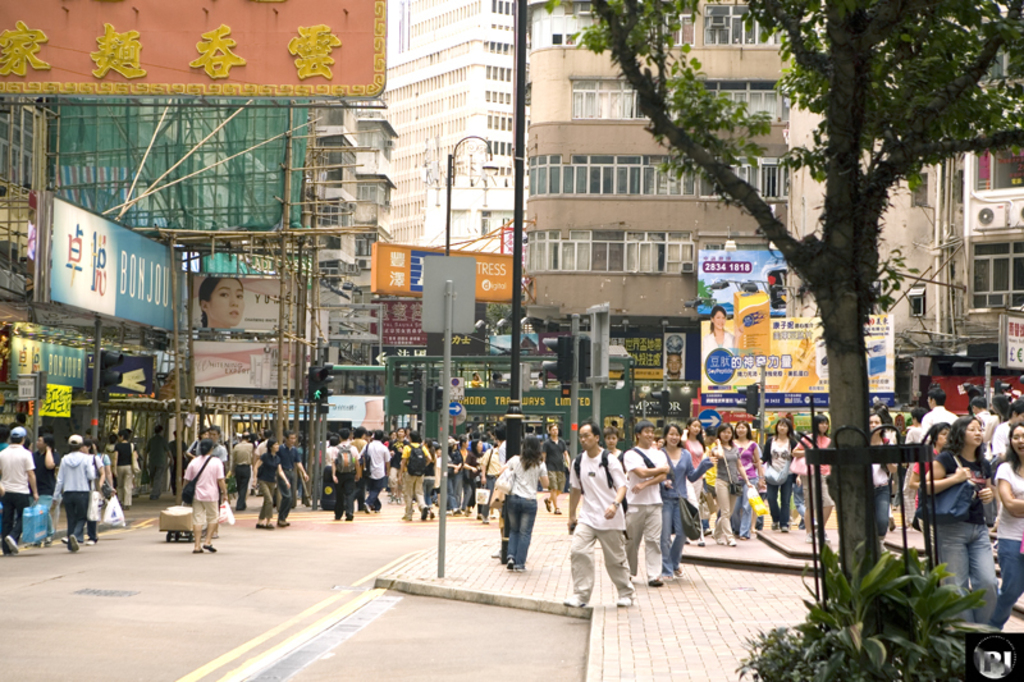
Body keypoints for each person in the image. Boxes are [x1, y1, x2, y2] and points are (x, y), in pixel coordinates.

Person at [927, 415, 998, 624]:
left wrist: (989, 495)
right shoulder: (946, 459)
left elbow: (988, 489)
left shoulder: (984, 463)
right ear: (960, 433)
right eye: (972, 429)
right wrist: (955, 479)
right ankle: (965, 634)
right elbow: (926, 485)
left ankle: (981, 629)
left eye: (980, 429)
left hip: (978, 528)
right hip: (951, 528)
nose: (978, 433)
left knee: (989, 582)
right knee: (956, 586)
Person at [565, 420, 634, 608]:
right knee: (578, 551)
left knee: (615, 560)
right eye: (580, 436)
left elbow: (622, 486)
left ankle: (626, 593)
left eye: (586, 436)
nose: (583, 440)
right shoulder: (578, 462)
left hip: (610, 518)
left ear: (596, 438)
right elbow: (575, 490)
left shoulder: (609, 460)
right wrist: (571, 515)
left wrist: (615, 504)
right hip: (587, 517)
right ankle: (581, 595)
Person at [659, 423, 715, 581]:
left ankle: (674, 563)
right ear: (665, 436)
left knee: (682, 533)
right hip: (664, 499)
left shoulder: (685, 454)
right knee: (664, 536)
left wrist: (705, 464)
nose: (674, 437)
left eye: (676, 434)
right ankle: (667, 569)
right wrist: (663, 482)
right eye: (671, 434)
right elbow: (654, 475)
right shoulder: (660, 454)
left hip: (681, 500)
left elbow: (691, 476)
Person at [622, 419, 670, 586]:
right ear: (638, 434)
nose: (650, 435)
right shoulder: (630, 454)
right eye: (646, 432)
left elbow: (663, 476)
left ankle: (654, 575)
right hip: (635, 504)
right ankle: (628, 572)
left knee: (653, 540)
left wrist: (645, 484)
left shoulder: (659, 454)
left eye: (652, 431)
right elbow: (641, 472)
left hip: (655, 502)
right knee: (631, 541)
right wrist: (660, 469)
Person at [989, 423, 1024, 629]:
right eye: (1016, 437)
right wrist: (1015, 505)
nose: (1021, 441)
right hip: (1012, 538)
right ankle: (991, 627)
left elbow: (1016, 504)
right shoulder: (1005, 469)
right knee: (1012, 589)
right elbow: (1009, 505)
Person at [504, 435, 549, 572]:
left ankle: (511, 556)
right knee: (525, 533)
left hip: (513, 498)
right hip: (529, 500)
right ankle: (519, 564)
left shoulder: (515, 460)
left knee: (514, 530)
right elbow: (546, 484)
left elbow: (501, 470)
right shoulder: (540, 464)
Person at [793, 415, 834, 544]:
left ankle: (820, 529)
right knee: (810, 504)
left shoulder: (829, 440)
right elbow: (794, 452)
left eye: (826, 423)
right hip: (810, 473)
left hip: (826, 474)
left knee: (829, 502)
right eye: (821, 423)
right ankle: (809, 533)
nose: (824, 426)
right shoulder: (808, 439)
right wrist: (810, 451)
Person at [183, 439, 227, 554]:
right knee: (213, 517)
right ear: (211, 449)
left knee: (197, 519)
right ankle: (207, 541)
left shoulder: (193, 462)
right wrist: (225, 493)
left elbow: (187, 479)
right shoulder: (217, 462)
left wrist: (185, 491)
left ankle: (197, 545)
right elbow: (221, 480)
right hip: (212, 495)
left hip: (197, 495)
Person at [53, 437, 96, 553]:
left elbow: (60, 479)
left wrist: (55, 496)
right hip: (82, 491)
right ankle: (75, 535)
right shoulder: (86, 458)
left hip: (68, 492)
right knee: (82, 517)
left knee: (71, 518)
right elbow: (91, 476)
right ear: (81, 445)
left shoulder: (64, 459)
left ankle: (71, 545)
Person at [0, 426, 38, 555]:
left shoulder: (2, 453)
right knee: (23, 517)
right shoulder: (26, 454)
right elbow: (31, 474)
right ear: (23, 439)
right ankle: (13, 536)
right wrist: (35, 492)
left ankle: (6, 549)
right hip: (21, 491)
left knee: (7, 519)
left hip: (5, 491)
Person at [712, 423, 751, 547]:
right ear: (719, 434)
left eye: (729, 432)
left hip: (734, 482)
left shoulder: (734, 449)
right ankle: (730, 538)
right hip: (721, 481)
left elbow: (740, 466)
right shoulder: (716, 448)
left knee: (729, 512)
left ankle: (716, 534)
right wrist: (719, 444)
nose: (726, 435)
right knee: (725, 511)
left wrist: (747, 480)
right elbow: (719, 455)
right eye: (724, 432)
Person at [762, 418, 797, 533]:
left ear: (789, 428)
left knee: (785, 500)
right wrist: (757, 463)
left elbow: (796, 459)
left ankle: (784, 524)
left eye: (785, 426)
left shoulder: (792, 442)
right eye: (780, 425)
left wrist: (798, 476)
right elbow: (765, 457)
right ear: (776, 427)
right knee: (771, 498)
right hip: (772, 473)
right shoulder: (770, 441)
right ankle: (776, 519)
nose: (782, 428)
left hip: (788, 474)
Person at [682, 418, 713, 545]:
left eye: (698, 426)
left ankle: (686, 535)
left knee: (694, 505)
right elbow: (683, 441)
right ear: (688, 427)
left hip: (699, 477)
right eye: (694, 426)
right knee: (693, 504)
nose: (696, 428)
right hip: (686, 477)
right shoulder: (685, 441)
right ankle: (700, 536)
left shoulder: (700, 442)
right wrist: (685, 432)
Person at [732, 421, 765, 541]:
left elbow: (758, 463)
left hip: (751, 478)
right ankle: (737, 529)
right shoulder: (732, 444)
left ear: (747, 430)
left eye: (743, 427)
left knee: (747, 506)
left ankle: (744, 532)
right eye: (739, 427)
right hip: (735, 478)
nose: (741, 430)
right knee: (735, 508)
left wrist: (761, 479)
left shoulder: (753, 445)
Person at [869, 412, 899, 537]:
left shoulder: (887, 444)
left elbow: (894, 469)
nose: (873, 425)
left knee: (882, 521)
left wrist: (887, 459)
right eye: (870, 422)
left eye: (877, 422)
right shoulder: (861, 443)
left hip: (881, 488)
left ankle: (880, 542)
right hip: (863, 489)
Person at [32, 433, 60, 546]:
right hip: (34, 488)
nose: (37, 443)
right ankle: (37, 539)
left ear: (47, 444)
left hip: (47, 488)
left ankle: (49, 533)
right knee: (35, 514)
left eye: (40, 441)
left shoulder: (54, 455)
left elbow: (49, 465)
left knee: (43, 511)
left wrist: (48, 451)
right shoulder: (34, 455)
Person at [277, 431, 309, 526]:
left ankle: (283, 517)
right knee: (287, 496)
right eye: (291, 438)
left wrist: (304, 473)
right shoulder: (280, 449)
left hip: (291, 473)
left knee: (290, 498)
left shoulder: (295, 450)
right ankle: (281, 518)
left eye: (294, 438)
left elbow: (298, 462)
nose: (293, 440)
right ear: (286, 438)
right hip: (283, 472)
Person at [256, 438, 289, 530]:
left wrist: (286, 480)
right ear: (271, 447)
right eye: (276, 444)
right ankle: (268, 522)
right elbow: (256, 466)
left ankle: (259, 521)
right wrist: (254, 479)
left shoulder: (277, 458)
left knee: (266, 501)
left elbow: (280, 471)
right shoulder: (265, 456)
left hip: (272, 481)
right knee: (270, 500)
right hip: (263, 480)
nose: (277, 446)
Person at [401, 431, 431, 522]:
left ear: (410, 438)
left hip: (409, 473)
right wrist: (424, 466)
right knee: (419, 492)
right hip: (420, 473)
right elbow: (429, 458)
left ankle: (408, 514)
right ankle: (423, 506)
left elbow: (403, 462)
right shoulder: (422, 447)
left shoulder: (407, 447)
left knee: (408, 494)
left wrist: (400, 474)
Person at [543, 423, 569, 515]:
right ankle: (556, 508)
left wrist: (569, 464)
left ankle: (549, 500)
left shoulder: (562, 442)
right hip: (550, 468)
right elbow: (544, 456)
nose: (555, 431)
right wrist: (543, 468)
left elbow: (565, 454)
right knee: (553, 488)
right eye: (553, 430)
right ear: (549, 431)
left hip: (560, 467)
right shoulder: (547, 443)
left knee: (560, 489)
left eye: (556, 429)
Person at [364, 430, 390, 514]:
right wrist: (388, 471)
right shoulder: (384, 448)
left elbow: (361, 456)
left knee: (372, 489)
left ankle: (377, 506)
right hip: (380, 471)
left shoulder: (368, 446)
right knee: (376, 489)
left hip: (369, 470)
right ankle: (368, 502)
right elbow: (387, 461)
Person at [113, 429, 139, 510]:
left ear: (122, 437)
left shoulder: (117, 446)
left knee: (120, 485)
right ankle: (127, 503)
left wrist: (114, 468)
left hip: (119, 467)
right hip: (129, 467)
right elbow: (136, 456)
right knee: (127, 485)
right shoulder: (132, 445)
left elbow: (115, 458)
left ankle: (120, 501)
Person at [230, 433, 254, 511]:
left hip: (238, 468)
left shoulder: (236, 447)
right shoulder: (251, 446)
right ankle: (240, 504)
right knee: (244, 486)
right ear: (248, 439)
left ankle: (242, 503)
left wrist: (232, 470)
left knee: (239, 486)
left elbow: (234, 460)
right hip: (246, 467)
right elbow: (253, 457)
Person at [479, 438, 502, 523]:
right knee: (489, 497)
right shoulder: (490, 452)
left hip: (501, 478)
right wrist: (483, 476)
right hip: (491, 477)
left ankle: (502, 516)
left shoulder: (504, 453)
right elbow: (484, 464)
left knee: (501, 498)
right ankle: (485, 515)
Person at [147, 426, 169, 500]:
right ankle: (154, 493)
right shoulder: (163, 440)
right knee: (158, 478)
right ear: (161, 431)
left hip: (152, 461)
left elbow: (146, 451)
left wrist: (144, 461)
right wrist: (171, 459)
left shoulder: (151, 440)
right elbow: (168, 451)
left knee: (153, 477)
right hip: (161, 461)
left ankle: (156, 492)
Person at [352, 427, 369, 513]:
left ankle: (361, 505)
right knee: (361, 487)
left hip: (352, 466)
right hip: (362, 467)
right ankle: (357, 502)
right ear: (363, 435)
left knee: (357, 486)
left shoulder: (351, 443)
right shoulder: (364, 443)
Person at [447, 437, 466, 515]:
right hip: (448, 474)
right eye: (454, 445)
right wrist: (454, 467)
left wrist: (458, 467)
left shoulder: (457, 452)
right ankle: (452, 507)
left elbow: (461, 461)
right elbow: (445, 463)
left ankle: (455, 506)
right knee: (450, 491)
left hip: (457, 472)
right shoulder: (446, 454)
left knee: (456, 491)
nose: (456, 446)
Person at [462, 440, 481, 515]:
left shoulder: (482, 454)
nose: (481, 445)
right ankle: (468, 507)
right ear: (475, 446)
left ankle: (480, 512)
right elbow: (465, 465)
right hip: (473, 477)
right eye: (479, 444)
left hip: (481, 476)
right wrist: (472, 468)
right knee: (474, 492)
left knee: (481, 494)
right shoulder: (471, 455)